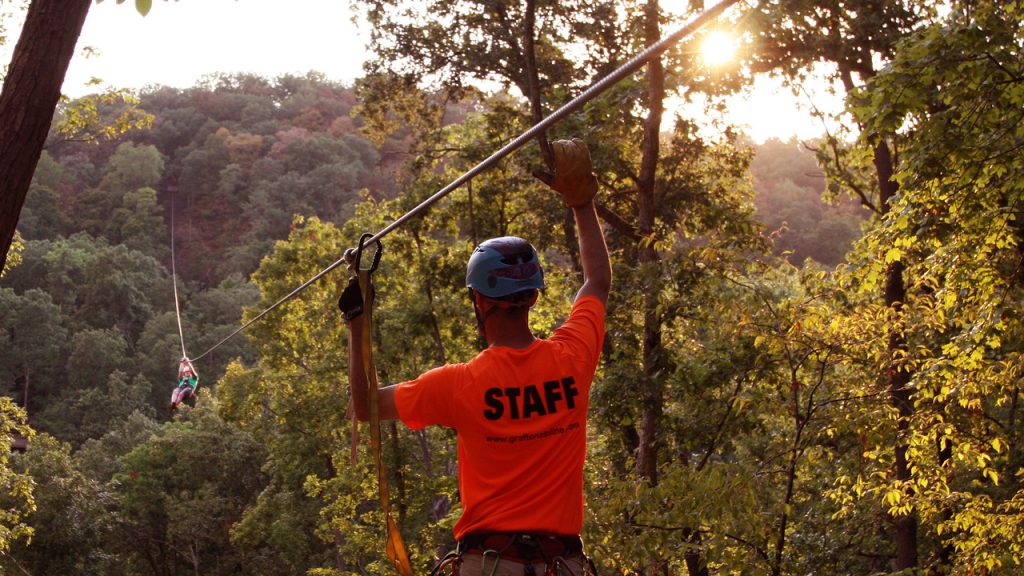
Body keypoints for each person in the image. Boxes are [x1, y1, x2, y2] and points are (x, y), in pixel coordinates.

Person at [341, 139, 611, 576]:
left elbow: (364, 405)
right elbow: (597, 281)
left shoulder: (458, 384)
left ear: (478, 300)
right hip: (560, 564)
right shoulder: (573, 358)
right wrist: (582, 203)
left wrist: (358, 324)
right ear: (534, 296)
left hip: (487, 564)